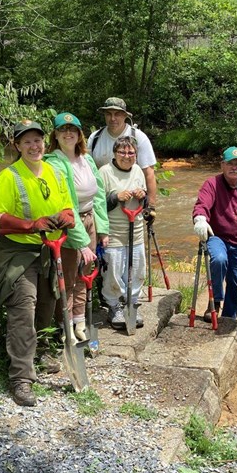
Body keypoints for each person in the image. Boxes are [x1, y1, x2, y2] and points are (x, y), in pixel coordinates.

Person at [0, 120, 75, 407]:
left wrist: (67, 218)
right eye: (26, 142)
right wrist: (30, 224)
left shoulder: (53, 171)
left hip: (49, 248)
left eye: (37, 140)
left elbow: (66, 205)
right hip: (16, 251)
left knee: (47, 304)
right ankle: (20, 378)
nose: (34, 146)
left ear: (44, 143)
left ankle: (40, 351)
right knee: (24, 305)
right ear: (17, 146)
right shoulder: (10, 176)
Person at [44, 112, 109, 341]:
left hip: (89, 219)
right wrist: (81, 242)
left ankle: (79, 321)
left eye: (72, 130)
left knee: (85, 273)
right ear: (56, 134)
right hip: (68, 224)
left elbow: (99, 195)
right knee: (68, 277)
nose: (68, 133)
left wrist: (103, 230)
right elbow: (66, 203)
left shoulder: (87, 159)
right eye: (63, 130)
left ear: (80, 134)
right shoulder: (54, 162)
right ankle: (65, 326)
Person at [192, 147, 237, 321]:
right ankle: (214, 301)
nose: (234, 167)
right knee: (219, 259)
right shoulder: (212, 184)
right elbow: (202, 204)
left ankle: (229, 319)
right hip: (217, 236)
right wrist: (200, 219)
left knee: (236, 285)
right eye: (230, 163)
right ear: (222, 164)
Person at [99, 135, 147, 330]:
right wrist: (115, 197)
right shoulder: (104, 172)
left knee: (137, 269)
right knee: (113, 270)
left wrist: (142, 196)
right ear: (115, 153)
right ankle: (113, 305)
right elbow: (98, 203)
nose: (126, 156)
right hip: (113, 232)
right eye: (122, 152)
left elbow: (144, 202)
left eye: (131, 152)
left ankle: (132, 303)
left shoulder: (137, 171)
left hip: (135, 230)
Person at [87, 97, 157, 217]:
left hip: (132, 206)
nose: (113, 118)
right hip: (102, 205)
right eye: (108, 114)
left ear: (125, 116)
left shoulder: (138, 137)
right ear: (104, 115)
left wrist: (150, 207)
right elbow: (88, 173)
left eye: (117, 114)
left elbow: (149, 173)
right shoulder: (94, 138)